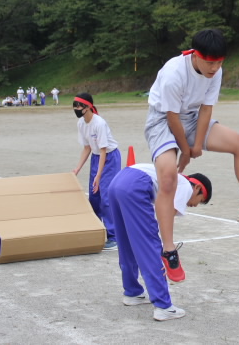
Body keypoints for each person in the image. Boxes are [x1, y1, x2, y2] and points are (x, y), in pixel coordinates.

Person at [145, 28, 239, 283]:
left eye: (219, 63)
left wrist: (197, 146)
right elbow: (172, 117)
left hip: (193, 119)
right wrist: (186, 151)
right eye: (209, 62)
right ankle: (168, 250)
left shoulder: (215, 71)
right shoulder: (175, 73)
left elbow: (206, 110)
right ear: (195, 55)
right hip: (163, 121)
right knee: (168, 179)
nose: (214, 68)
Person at [106, 163, 212, 321]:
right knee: (149, 247)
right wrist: (167, 247)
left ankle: (132, 292)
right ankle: (163, 306)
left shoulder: (172, 180)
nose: (195, 205)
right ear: (197, 188)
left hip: (117, 182)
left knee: (126, 242)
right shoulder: (185, 185)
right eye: (200, 199)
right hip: (136, 185)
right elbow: (166, 215)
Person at [72, 92, 121, 249]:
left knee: (105, 196)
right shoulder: (81, 123)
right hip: (96, 158)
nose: (76, 108)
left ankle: (114, 236)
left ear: (88, 107)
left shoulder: (99, 123)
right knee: (94, 197)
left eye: (79, 105)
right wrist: (77, 169)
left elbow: (103, 150)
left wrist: (98, 176)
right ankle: (96, 232)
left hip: (109, 158)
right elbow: (87, 148)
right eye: (74, 105)